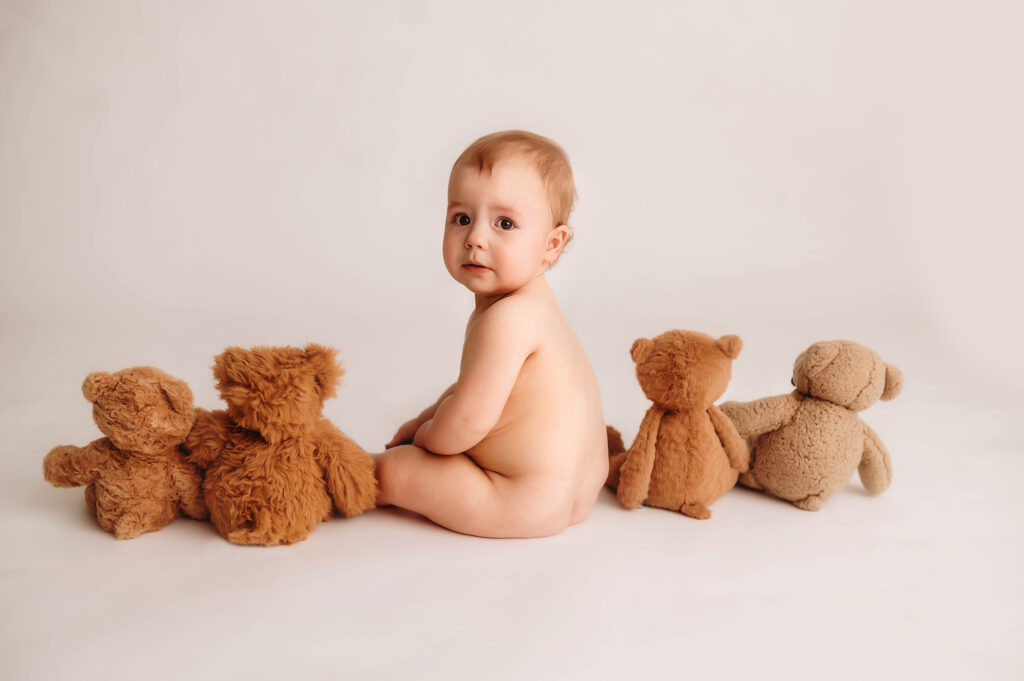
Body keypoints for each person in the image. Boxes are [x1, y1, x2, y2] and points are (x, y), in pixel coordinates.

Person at [373, 130, 608, 538]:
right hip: (580, 492)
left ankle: (326, 479)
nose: (476, 239)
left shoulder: (507, 320)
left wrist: (426, 438)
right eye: (462, 218)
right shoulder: (537, 305)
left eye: (504, 223)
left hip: (518, 500)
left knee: (393, 471)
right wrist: (423, 416)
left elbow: (465, 420)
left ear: (551, 244)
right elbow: (476, 387)